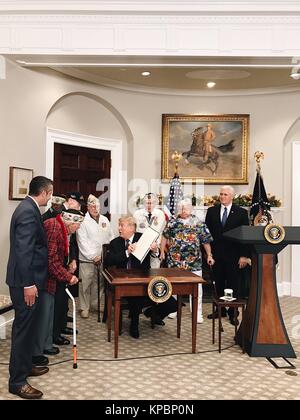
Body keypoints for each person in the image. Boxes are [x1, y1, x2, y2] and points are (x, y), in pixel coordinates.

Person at [6, 176, 53, 399]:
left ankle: (25, 367)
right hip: (26, 282)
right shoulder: (27, 211)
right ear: (43, 193)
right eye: (50, 193)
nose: (50, 197)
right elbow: (24, 252)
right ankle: (17, 382)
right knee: (23, 331)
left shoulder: (29, 208)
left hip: (30, 279)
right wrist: (29, 284)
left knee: (28, 329)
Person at [105, 216, 177, 339]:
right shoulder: (115, 243)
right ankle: (134, 324)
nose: (119, 228)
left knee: (172, 303)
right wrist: (127, 252)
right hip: (124, 281)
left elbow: (156, 254)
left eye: (122, 225)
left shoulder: (143, 238)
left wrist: (155, 250)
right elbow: (109, 261)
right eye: (120, 225)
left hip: (145, 279)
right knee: (135, 297)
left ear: (132, 227)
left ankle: (153, 313)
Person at [33, 209, 83, 358]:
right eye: (78, 225)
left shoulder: (60, 227)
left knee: (48, 315)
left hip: (51, 279)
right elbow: (50, 261)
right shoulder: (54, 227)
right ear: (72, 223)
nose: (78, 228)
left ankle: (46, 345)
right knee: (43, 317)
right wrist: (68, 277)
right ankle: (38, 351)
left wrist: (66, 268)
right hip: (43, 278)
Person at [161, 198, 214, 323]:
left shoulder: (198, 222)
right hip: (175, 260)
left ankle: (197, 312)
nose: (184, 211)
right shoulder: (172, 222)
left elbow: (205, 240)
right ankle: (172, 309)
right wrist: (162, 251)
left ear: (190, 209)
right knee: (172, 286)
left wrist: (210, 255)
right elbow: (164, 236)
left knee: (196, 287)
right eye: (181, 208)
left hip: (194, 261)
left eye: (186, 208)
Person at [205, 185, 249, 325]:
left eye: (225, 194)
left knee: (233, 283)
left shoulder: (241, 213)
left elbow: (245, 236)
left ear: (231, 196)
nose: (222, 196)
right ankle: (220, 310)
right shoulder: (212, 211)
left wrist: (243, 256)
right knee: (218, 283)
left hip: (234, 256)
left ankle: (233, 312)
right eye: (221, 194)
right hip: (216, 255)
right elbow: (206, 235)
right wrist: (209, 254)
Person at [53, 191, 85, 338]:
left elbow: (72, 244)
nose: (78, 229)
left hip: (65, 266)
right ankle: (55, 333)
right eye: (77, 226)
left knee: (63, 301)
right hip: (55, 270)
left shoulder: (71, 224)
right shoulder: (55, 221)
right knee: (57, 303)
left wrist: (73, 260)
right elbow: (52, 257)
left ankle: (61, 326)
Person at [77, 194, 114, 318]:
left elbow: (110, 238)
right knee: (85, 284)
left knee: (100, 284)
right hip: (87, 259)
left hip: (102, 258)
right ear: (87, 207)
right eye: (92, 206)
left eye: (97, 206)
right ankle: (84, 307)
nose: (95, 208)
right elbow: (82, 241)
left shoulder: (105, 220)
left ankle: (96, 304)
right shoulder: (83, 221)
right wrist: (93, 256)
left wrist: (105, 255)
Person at [133, 193, 165, 268]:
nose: (149, 205)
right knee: (141, 273)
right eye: (147, 203)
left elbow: (163, 233)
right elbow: (134, 231)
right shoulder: (137, 214)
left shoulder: (160, 214)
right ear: (144, 203)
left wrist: (161, 250)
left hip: (155, 248)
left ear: (155, 203)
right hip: (141, 248)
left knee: (154, 272)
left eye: (152, 203)